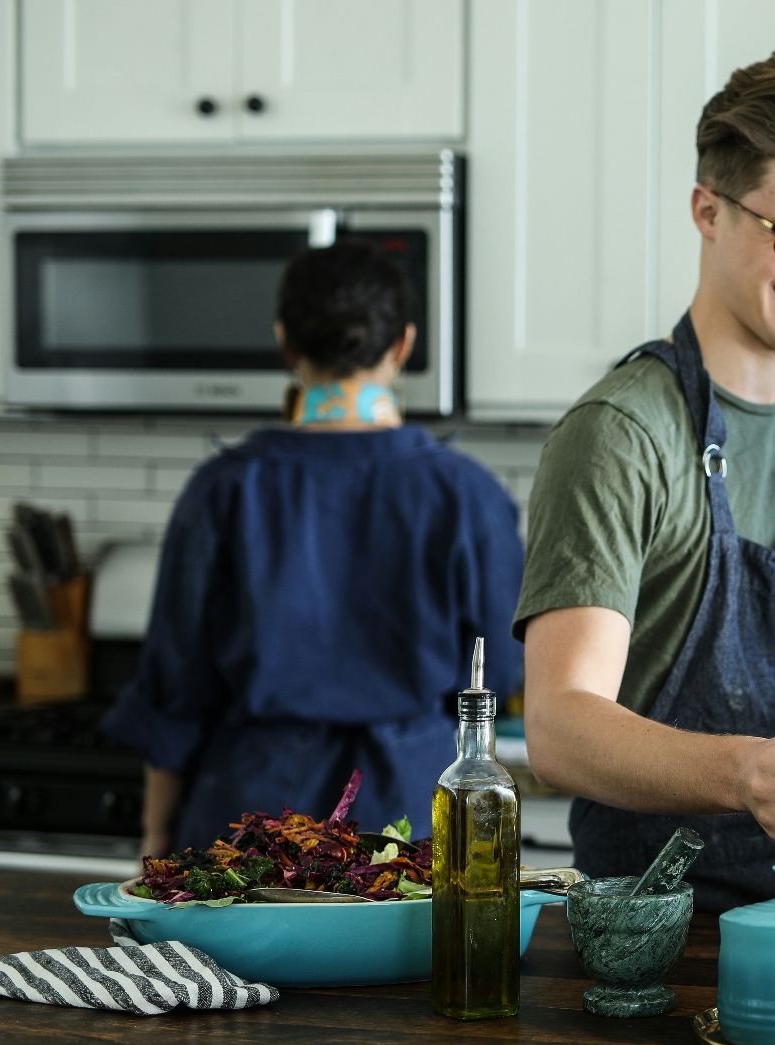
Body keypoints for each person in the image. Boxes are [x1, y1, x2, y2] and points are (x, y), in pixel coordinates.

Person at [513, 53, 775, 937]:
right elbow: (558, 725)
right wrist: (745, 773)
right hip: (655, 947)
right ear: (709, 210)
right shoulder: (622, 433)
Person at [103, 240, 524, 855]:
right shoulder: (468, 496)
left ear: (285, 343)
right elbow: (503, 674)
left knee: (220, 960)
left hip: (248, 823)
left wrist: (155, 845)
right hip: (411, 822)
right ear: (403, 345)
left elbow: (174, 695)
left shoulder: (223, 489)